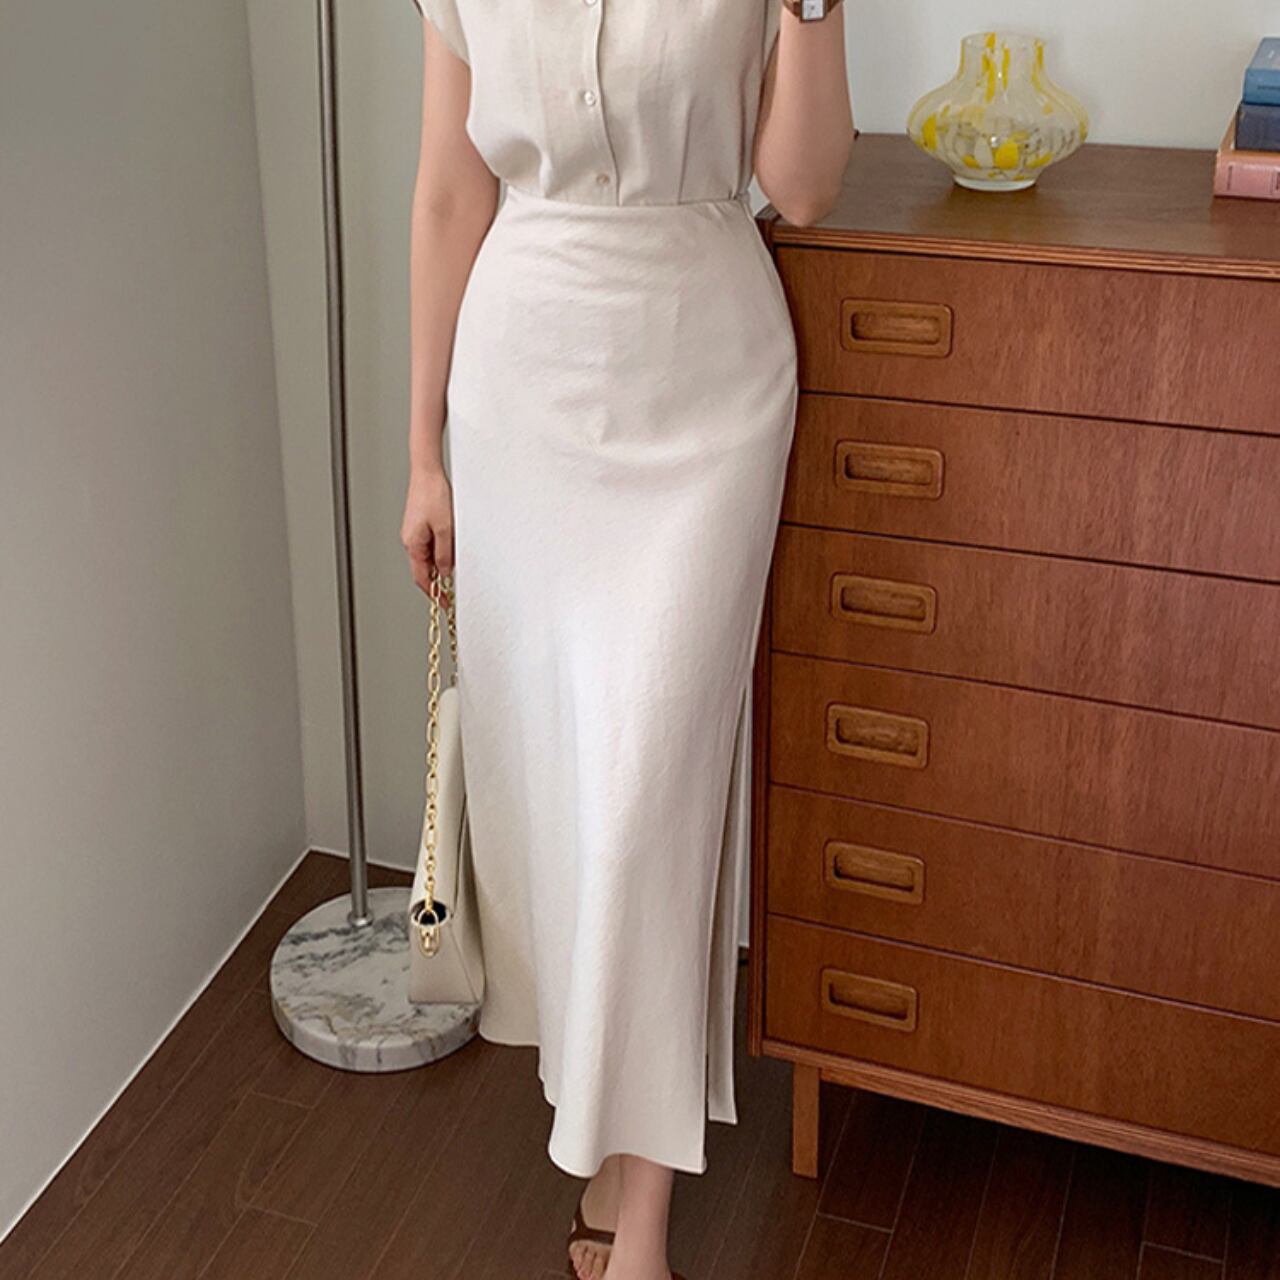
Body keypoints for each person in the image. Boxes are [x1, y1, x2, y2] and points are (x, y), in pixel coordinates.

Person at [400, 3, 854, 1277]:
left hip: (704, 388)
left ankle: (637, 1225)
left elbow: (803, 187)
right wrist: (422, 452)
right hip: (521, 390)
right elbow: (448, 193)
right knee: (563, 795)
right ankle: (607, 1138)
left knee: (652, 801)